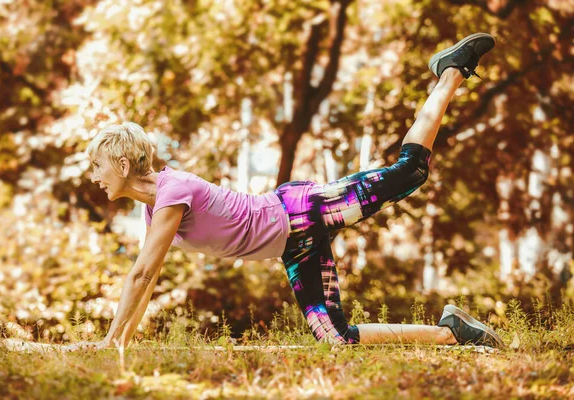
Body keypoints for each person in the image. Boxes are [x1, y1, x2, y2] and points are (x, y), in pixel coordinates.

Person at [78, 33, 504, 350]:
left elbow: (142, 274)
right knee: (337, 339)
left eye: (97, 165)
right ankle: (452, 332)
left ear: (121, 163)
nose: (93, 176)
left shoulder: (173, 191)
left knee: (410, 171)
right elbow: (145, 283)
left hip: (305, 212)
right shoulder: (155, 211)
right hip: (295, 246)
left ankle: (451, 71)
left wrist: (109, 342)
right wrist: (119, 343)